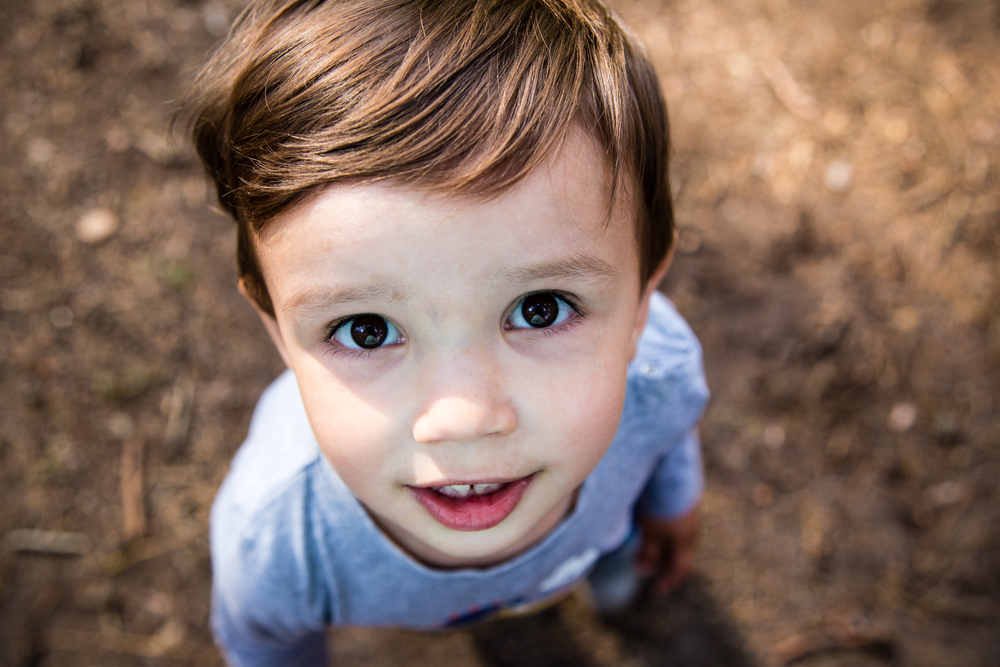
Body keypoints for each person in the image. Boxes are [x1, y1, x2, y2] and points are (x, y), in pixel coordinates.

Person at [184, 0, 709, 664]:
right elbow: (266, 643)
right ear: (278, 331)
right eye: (367, 329)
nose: (462, 419)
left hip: (604, 539)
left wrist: (672, 505)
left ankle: (612, 585)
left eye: (540, 308)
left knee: (618, 566)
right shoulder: (279, 543)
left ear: (640, 306)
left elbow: (669, 432)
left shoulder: (658, 376)